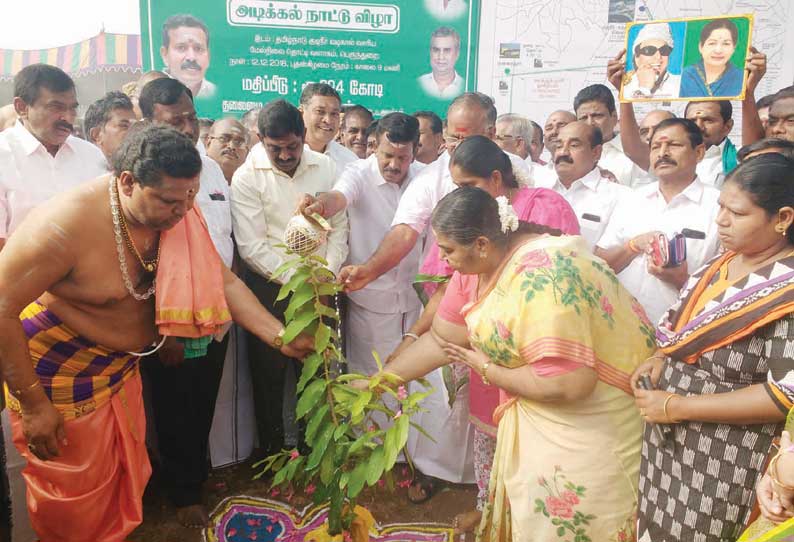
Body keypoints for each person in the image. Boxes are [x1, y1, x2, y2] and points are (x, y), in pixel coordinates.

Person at [0, 123, 312, 542]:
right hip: (57, 374)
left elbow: (226, 283)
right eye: (169, 200)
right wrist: (34, 403)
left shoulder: (178, 210)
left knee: (120, 482)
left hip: (119, 371)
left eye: (190, 197)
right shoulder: (64, 226)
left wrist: (281, 337)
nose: (183, 211)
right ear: (127, 182)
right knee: (73, 506)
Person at [380, 186, 653, 540]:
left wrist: (488, 369)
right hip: (539, 414)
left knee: (572, 524)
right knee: (533, 516)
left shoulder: (544, 279)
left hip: (591, 424)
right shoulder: (477, 266)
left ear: (481, 243)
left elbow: (568, 384)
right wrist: (381, 380)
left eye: (447, 250)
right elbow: (442, 338)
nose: (442, 260)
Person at [387, 135, 579, 533]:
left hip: (544, 377)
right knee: (491, 446)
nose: (446, 261)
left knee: (540, 480)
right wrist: (398, 358)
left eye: (468, 187)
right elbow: (446, 327)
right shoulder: (468, 261)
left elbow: (562, 354)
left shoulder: (542, 238)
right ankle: (488, 507)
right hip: (491, 368)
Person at [632, 152, 794, 541]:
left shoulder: (786, 291)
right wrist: (658, 358)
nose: (720, 220)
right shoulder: (721, 264)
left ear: (783, 219)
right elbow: (682, 332)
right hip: (667, 449)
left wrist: (677, 406)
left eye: (737, 214)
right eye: (720, 207)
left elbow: (781, 396)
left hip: (725, 463)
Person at [138, 77, 238, 527]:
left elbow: (221, 239)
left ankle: (194, 475)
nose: (187, 126)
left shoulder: (210, 168)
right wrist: (163, 328)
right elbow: (143, 259)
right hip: (172, 321)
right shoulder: (144, 176)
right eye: (174, 119)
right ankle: (181, 494)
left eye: (191, 116)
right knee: (173, 407)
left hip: (216, 311)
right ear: (148, 121)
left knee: (203, 401)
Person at [230, 99, 348, 458]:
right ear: (259, 138)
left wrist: (325, 274)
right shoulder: (246, 177)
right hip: (269, 289)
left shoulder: (325, 166)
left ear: (303, 136)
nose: (284, 156)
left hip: (320, 287)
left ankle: (314, 454)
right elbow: (252, 246)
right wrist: (300, 281)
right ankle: (273, 454)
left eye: (292, 147)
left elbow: (339, 227)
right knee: (268, 373)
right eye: (275, 148)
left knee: (315, 371)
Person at [298, 113, 423, 384]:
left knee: (415, 390)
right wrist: (320, 206)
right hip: (369, 304)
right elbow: (339, 197)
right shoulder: (357, 173)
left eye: (402, 158)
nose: (393, 164)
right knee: (369, 384)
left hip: (416, 305)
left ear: (415, 151)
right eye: (387, 155)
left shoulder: (425, 178)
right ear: (374, 145)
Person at [595, 118, 721, 325]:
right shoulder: (632, 199)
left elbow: (726, 287)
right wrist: (633, 245)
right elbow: (601, 263)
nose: (662, 153)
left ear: (698, 153)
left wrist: (681, 280)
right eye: (655, 147)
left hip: (683, 328)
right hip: (621, 325)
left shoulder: (718, 206)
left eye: (674, 145)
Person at [0, 63, 107, 249]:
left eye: (72, 108)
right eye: (55, 108)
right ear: (21, 107)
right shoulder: (4, 156)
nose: (67, 117)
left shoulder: (91, 156)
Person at [537, 121, 628, 249]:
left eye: (574, 145)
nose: (563, 152)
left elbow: (611, 254)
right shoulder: (538, 190)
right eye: (558, 146)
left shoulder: (620, 197)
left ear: (596, 152)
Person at [574, 84, 643, 186]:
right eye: (583, 118)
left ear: (614, 117)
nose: (590, 123)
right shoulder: (570, 157)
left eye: (597, 116)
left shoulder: (636, 155)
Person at [298, 83, 358, 174]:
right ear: (301, 113)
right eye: (320, 112)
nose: (328, 120)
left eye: (334, 114)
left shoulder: (349, 161)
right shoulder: (286, 155)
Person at [681, 19, 744, 98]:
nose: (718, 50)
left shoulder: (742, 78)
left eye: (726, 44)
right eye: (712, 43)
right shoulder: (684, 76)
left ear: (733, 48)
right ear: (701, 47)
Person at [160, 14, 215, 99]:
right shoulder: (153, 93)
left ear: (209, 56)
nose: (191, 57)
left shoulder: (214, 92)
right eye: (181, 48)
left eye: (198, 48)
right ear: (165, 55)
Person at [685, 100, 737, 186]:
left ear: (727, 126)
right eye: (692, 121)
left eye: (708, 120)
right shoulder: (671, 158)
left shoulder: (741, 160)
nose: (698, 127)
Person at [623, 22, 681, 99]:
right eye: (649, 50)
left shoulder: (681, 85)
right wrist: (644, 89)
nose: (658, 57)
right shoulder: (624, 86)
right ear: (636, 58)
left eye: (664, 51)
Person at [83, 91, 137, 166]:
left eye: (135, 126)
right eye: (124, 126)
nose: (135, 132)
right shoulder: (80, 174)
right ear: (96, 135)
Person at [418, 27, 464, 99]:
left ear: (457, 54)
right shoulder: (419, 83)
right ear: (430, 52)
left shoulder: (464, 85)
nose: (441, 56)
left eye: (447, 50)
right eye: (436, 50)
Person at [206, 118, 251, 184]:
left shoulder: (252, 184)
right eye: (224, 139)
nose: (231, 146)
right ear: (208, 142)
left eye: (238, 142)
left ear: (247, 152)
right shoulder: (193, 177)